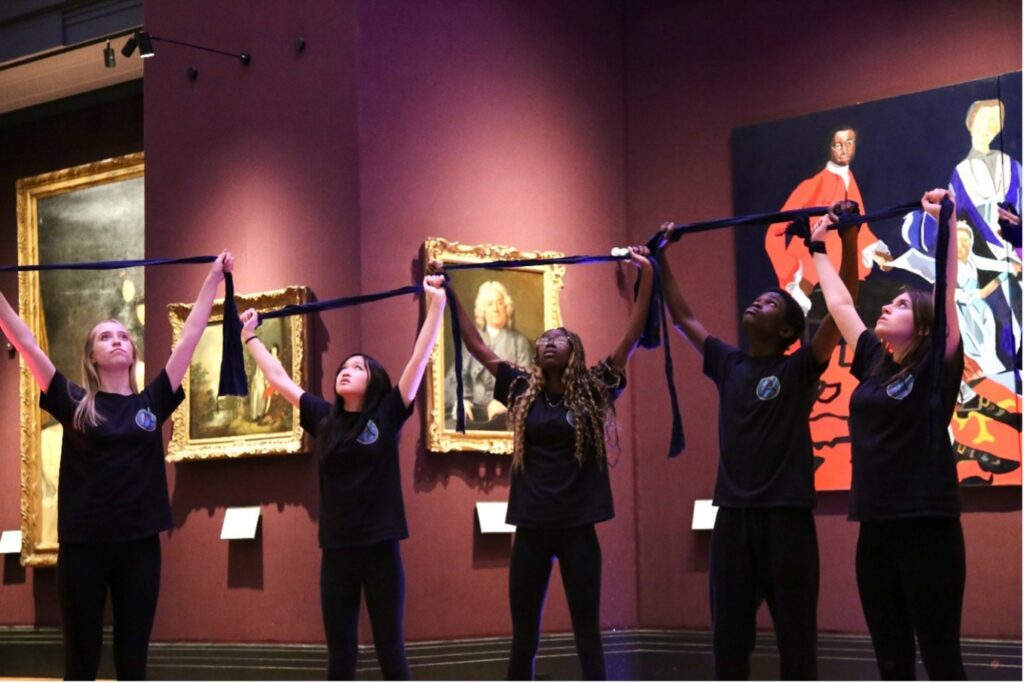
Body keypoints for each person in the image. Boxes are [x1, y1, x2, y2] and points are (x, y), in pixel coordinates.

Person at [0, 251, 234, 680]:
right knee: (82, 661)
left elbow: (191, 335)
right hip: (84, 547)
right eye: (106, 337)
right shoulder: (74, 403)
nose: (118, 340)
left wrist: (213, 278)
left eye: (123, 336)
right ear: (92, 357)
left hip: (139, 546)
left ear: (133, 351)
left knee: (132, 661)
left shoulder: (153, 401)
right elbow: (26, 343)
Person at [657, 206, 861, 679]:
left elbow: (840, 309)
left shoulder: (799, 367)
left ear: (788, 330)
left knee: (797, 643)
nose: (756, 304)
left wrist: (848, 240)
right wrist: (662, 257)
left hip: (787, 520)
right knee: (729, 643)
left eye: (770, 304)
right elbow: (684, 316)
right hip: (732, 520)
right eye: (758, 300)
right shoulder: (729, 365)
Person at [435, 247, 652, 680]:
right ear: (535, 351)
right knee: (524, 638)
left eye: (560, 338)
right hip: (532, 527)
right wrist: (450, 288)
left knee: (587, 634)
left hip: (578, 530)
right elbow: (475, 344)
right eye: (545, 338)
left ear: (575, 350)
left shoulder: (592, 389)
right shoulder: (518, 388)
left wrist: (646, 275)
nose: (550, 341)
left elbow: (631, 337)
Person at [239, 274, 447, 681]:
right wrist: (250, 338)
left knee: (391, 654)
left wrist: (436, 302)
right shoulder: (325, 418)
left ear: (376, 381)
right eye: (344, 367)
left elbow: (419, 358)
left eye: (358, 367)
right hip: (337, 551)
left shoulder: (387, 413)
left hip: (381, 549)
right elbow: (279, 379)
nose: (346, 371)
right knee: (340, 659)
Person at [810, 189, 966, 679]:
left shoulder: (935, 367)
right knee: (892, 662)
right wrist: (818, 247)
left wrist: (946, 223)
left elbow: (944, 292)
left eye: (900, 305)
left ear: (921, 329)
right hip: (875, 528)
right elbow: (838, 304)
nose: (886, 307)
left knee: (941, 660)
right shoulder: (875, 363)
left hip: (928, 526)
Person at [445, 280, 533, 429]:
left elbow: (527, 383)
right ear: (482, 310)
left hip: (504, 413)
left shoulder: (519, 341)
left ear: (507, 308)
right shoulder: (471, 340)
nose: (496, 309)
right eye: (490, 304)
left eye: (500, 303)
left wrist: (507, 403)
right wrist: (462, 400)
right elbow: (458, 374)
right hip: (473, 410)